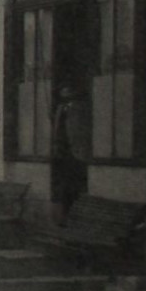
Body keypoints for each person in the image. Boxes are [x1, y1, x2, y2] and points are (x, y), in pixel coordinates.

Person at [50, 85, 88, 226]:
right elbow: (57, 130)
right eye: (64, 95)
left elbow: (79, 131)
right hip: (63, 154)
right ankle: (64, 219)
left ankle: (73, 220)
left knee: (76, 187)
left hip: (77, 154)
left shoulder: (80, 108)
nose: (66, 98)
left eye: (69, 95)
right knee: (64, 188)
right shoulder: (61, 109)